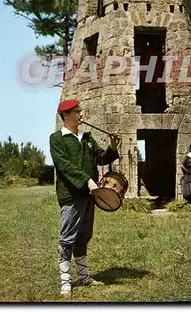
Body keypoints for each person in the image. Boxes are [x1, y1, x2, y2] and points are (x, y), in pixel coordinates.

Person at [49, 99, 120, 296]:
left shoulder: (87, 138)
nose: (81, 114)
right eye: (77, 111)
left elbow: (102, 159)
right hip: (71, 195)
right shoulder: (56, 139)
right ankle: (65, 282)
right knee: (67, 238)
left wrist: (112, 147)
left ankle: (84, 277)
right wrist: (88, 181)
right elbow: (64, 166)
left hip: (90, 195)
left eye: (80, 110)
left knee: (83, 237)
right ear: (66, 115)